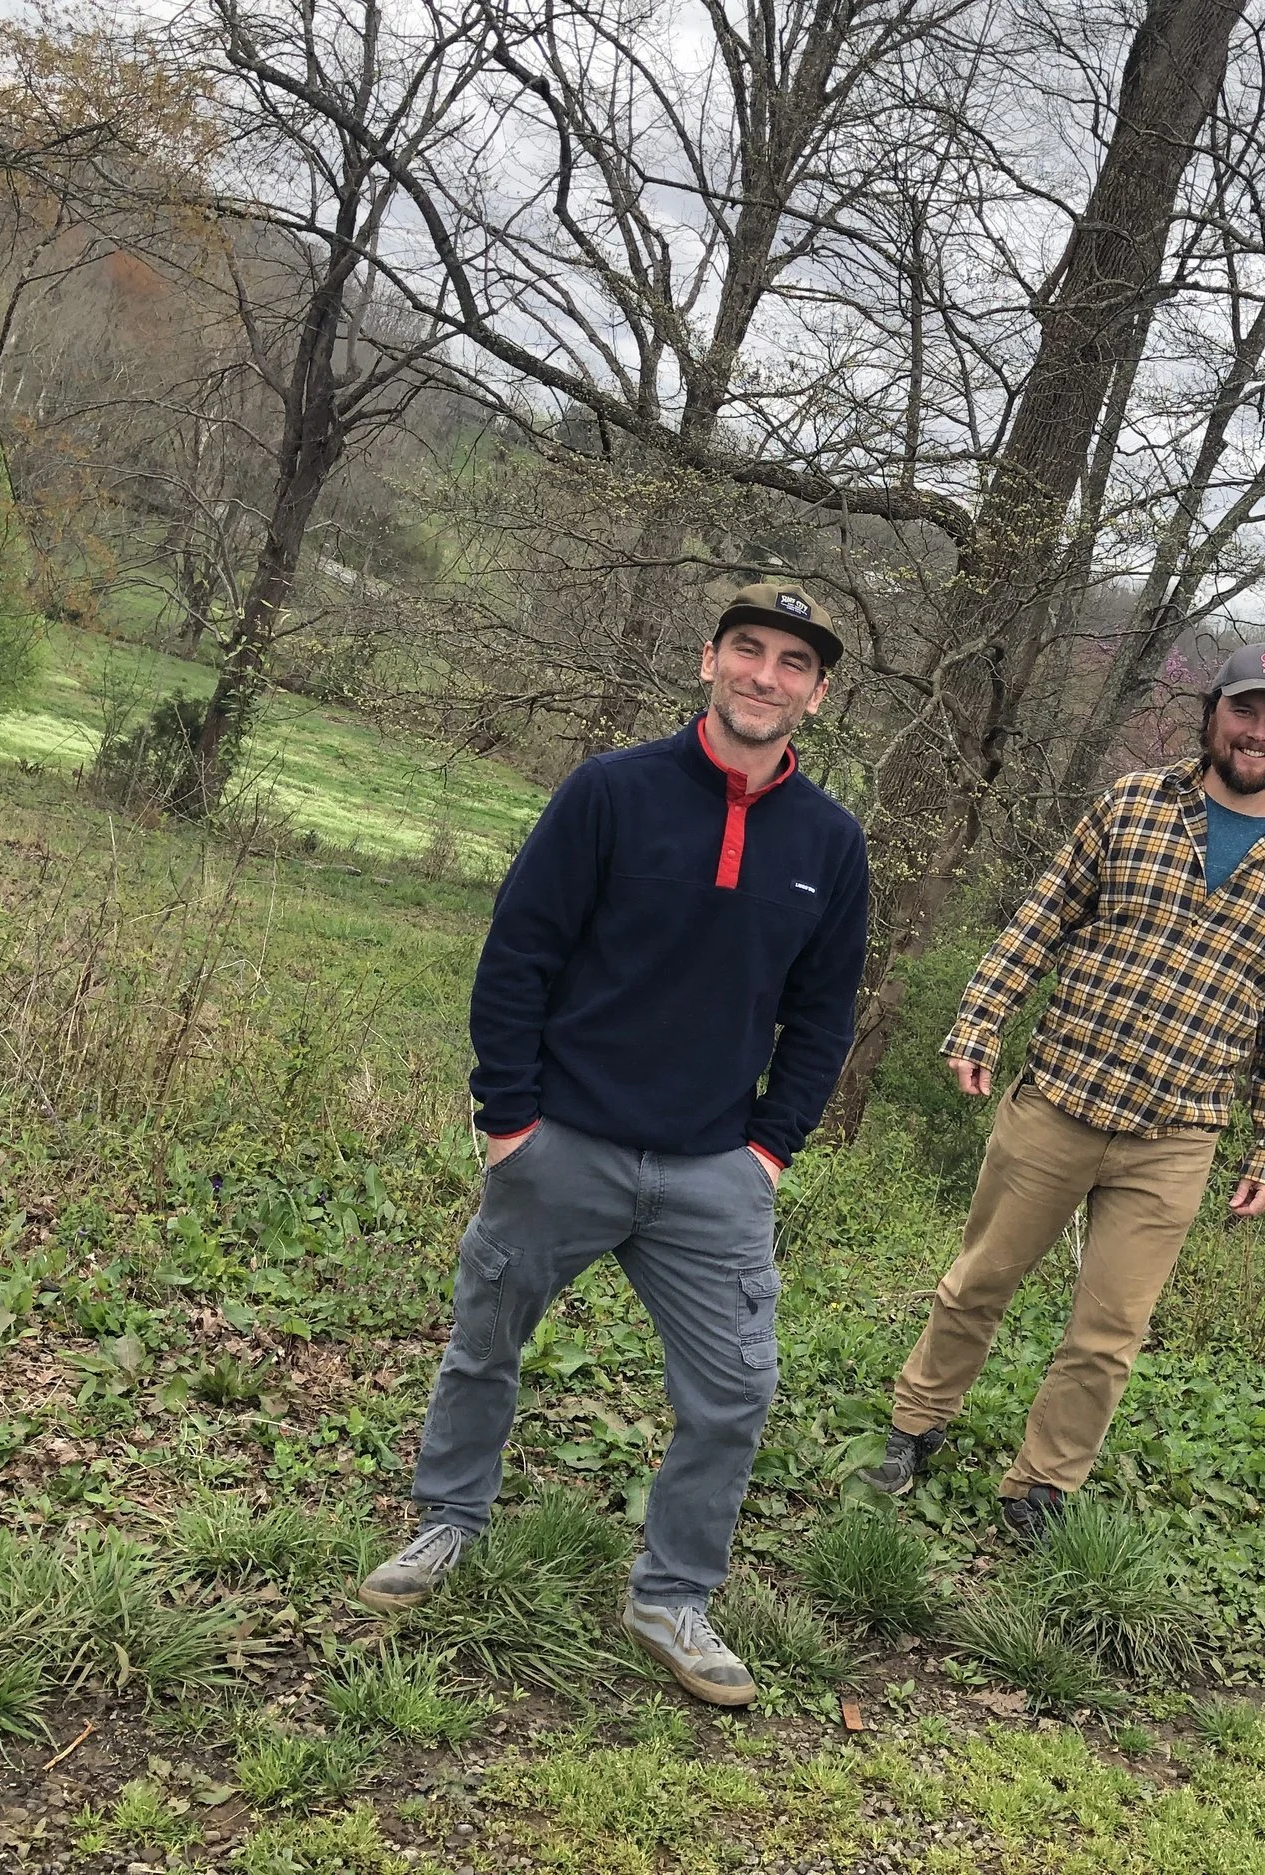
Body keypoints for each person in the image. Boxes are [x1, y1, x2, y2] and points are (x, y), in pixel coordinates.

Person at [360, 581, 869, 1709]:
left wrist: (768, 1151)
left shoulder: (830, 844)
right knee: (487, 1341)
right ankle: (448, 1523)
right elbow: (520, 954)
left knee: (734, 1395)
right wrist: (510, 1124)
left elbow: (826, 1012)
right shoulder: (611, 792)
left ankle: (672, 1593)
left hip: (712, 1175)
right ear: (707, 661)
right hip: (564, 1147)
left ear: (817, 695)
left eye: (792, 664)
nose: (764, 676)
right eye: (747, 651)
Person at [858, 643, 1265, 1542]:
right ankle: (915, 1423)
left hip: (1179, 1133)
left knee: (1111, 1327)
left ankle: (1041, 1484)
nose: (1258, 732)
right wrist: (980, 1019)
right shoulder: (1132, 805)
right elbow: (1042, 917)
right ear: (1213, 713)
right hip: (1063, 1096)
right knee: (982, 1279)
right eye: (1245, 710)